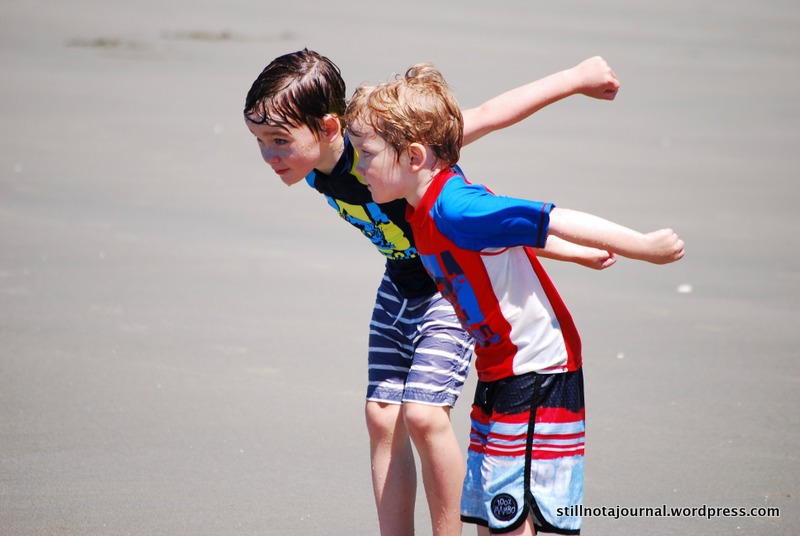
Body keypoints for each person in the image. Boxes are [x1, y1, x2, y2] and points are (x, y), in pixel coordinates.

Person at [243, 49, 621, 536]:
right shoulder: (312, 163)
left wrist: (576, 78)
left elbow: (486, 132)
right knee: (381, 419)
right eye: (259, 142)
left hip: (447, 291)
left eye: (279, 141)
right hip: (397, 288)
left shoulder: (389, 149)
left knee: (424, 416)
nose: (269, 157)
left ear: (329, 128)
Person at [344, 63, 684, 535]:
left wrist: (643, 247)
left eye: (365, 154)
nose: (357, 168)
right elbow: (511, 233)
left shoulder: (455, 206)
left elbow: (549, 216)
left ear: (415, 156)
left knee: (516, 514)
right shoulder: (420, 206)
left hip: (537, 368)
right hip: (499, 368)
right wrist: (576, 256)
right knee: (493, 512)